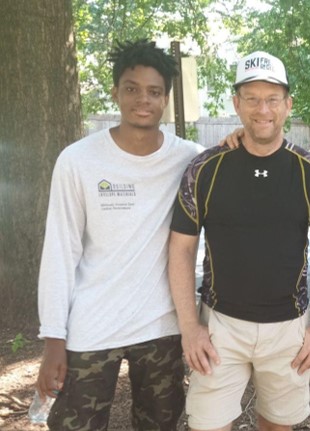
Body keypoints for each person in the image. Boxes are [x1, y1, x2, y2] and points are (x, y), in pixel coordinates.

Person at [35, 39, 210, 430]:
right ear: (115, 92)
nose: (142, 100)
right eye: (131, 89)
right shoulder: (78, 161)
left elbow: (235, 172)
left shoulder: (191, 160)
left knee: (160, 425)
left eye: (153, 92)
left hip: (162, 327)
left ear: (165, 98)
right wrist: (53, 340)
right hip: (92, 326)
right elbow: (60, 252)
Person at [168, 51, 310, 431]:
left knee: (278, 425)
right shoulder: (205, 169)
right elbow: (180, 249)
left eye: (272, 99)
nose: (262, 109)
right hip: (219, 327)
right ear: (236, 103)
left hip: (289, 330)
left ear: (288, 104)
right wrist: (190, 327)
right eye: (251, 98)